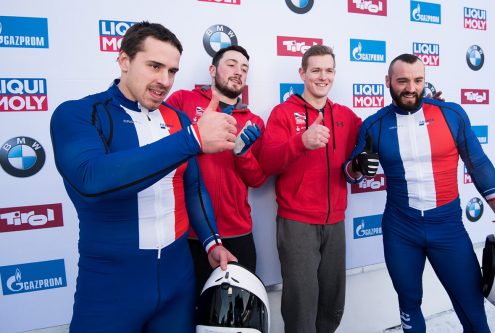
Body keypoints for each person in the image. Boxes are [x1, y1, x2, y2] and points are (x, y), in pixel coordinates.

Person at [50, 21, 238, 333]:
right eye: (154, 66)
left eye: (172, 71)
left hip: (178, 282)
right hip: (110, 288)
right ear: (124, 60)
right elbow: (91, 180)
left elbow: (192, 187)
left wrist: (211, 241)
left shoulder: (177, 119)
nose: (164, 81)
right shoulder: (79, 114)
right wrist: (191, 140)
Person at [345, 53, 495, 333]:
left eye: (418, 80)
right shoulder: (374, 124)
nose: (411, 88)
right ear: (388, 82)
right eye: (402, 81)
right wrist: (356, 166)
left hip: (448, 228)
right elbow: (350, 174)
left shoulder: (451, 114)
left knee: (473, 310)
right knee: (409, 303)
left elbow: (478, 165)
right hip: (401, 229)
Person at [259, 45, 362, 333]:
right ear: (302, 73)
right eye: (316, 70)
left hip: (336, 223)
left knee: (332, 302)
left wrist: (419, 108)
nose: (323, 76)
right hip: (297, 224)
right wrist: (301, 142)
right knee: (301, 306)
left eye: (328, 70)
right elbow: (267, 162)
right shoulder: (282, 113)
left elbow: (376, 133)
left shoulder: (344, 115)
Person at [165, 45, 267, 293]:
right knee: (187, 312)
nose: (238, 72)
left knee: (237, 314)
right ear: (212, 70)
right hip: (189, 233)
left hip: (237, 231)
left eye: (244, 68)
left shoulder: (254, 121)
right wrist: (198, 133)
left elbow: (257, 180)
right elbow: (163, 153)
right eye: (231, 64)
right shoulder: (182, 101)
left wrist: (242, 154)